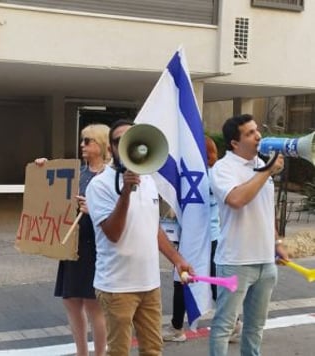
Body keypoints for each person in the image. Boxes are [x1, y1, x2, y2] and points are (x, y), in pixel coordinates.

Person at [85, 119, 194, 356]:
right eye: (118, 141)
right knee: (119, 351)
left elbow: (153, 227)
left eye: (130, 139)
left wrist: (177, 259)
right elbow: (113, 233)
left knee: (153, 349)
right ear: (111, 148)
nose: (125, 145)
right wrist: (125, 192)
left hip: (149, 284)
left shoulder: (149, 181)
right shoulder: (99, 186)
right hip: (117, 287)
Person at [209, 114, 289, 356]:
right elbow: (236, 200)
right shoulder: (223, 168)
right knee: (224, 326)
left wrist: (276, 242)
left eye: (257, 130)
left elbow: (265, 209)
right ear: (235, 143)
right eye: (250, 133)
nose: (258, 136)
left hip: (265, 260)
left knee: (255, 328)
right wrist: (267, 171)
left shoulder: (260, 164)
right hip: (236, 261)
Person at [34, 124, 109, 356]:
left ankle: (99, 353)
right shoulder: (79, 172)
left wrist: (93, 210)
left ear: (102, 144)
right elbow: (54, 193)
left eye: (88, 141)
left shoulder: (110, 176)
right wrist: (44, 169)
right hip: (72, 244)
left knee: (93, 305)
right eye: (82, 140)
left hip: (95, 246)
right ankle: (81, 352)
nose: (82, 145)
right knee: (72, 302)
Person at [163, 135, 223, 343]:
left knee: (191, 281)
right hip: (199, 237)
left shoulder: (209, 176)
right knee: (189, 280)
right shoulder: (204, 175)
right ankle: (177, 325)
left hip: (205, 238)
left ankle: (177, 327)